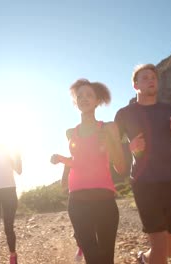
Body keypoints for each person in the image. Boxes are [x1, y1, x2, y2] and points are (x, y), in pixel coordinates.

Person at [114, 64, 171, 264]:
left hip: (170, 180)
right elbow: (113, 148)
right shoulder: (124, 114)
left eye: (154, 78)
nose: (151, 80)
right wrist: (129, 147)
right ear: (135, 85)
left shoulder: (170, 110)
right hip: (143, 181)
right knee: (159, 242)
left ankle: (144, 259)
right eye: (145, 77)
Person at [51, 79, 126, 264]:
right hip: (77, 201)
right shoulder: (70, 132)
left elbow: (121, 167)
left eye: (89, 95)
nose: (84, 98)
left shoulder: (108, 127)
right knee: (92, 258)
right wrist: (62, 160)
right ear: (75, 102)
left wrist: (109, 141)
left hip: (104, 199)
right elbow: (78, 162)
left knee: (106, 258)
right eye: (80, 96)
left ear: (97, 101)